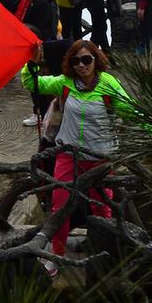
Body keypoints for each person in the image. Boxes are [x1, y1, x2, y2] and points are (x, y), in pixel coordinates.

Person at [21, 39, 137, 274]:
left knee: (102, 208)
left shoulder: (109, 84)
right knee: (60, 206)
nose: (81, 65)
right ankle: (56, 256)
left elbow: (131, 111)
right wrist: (31, 62)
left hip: (100, 158)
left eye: (86, 59)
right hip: (68, 155)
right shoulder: (65, 83)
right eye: (76, 61)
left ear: (96, 59)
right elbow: (32, 83)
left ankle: (102, 253)